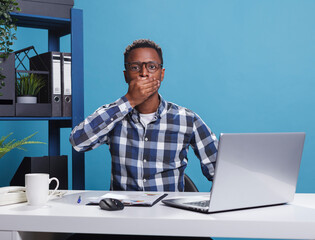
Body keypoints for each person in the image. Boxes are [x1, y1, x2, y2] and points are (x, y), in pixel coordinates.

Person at [70, 39, 218, 192]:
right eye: (135, 67)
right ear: (126, 75)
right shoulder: (113, 116)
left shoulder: (187, 119)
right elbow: (78, 142)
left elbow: (221, 171)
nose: (144, 73)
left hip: (170, 212)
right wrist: (130, 100)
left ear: (162, 74)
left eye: (152, 67)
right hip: (124, 212)